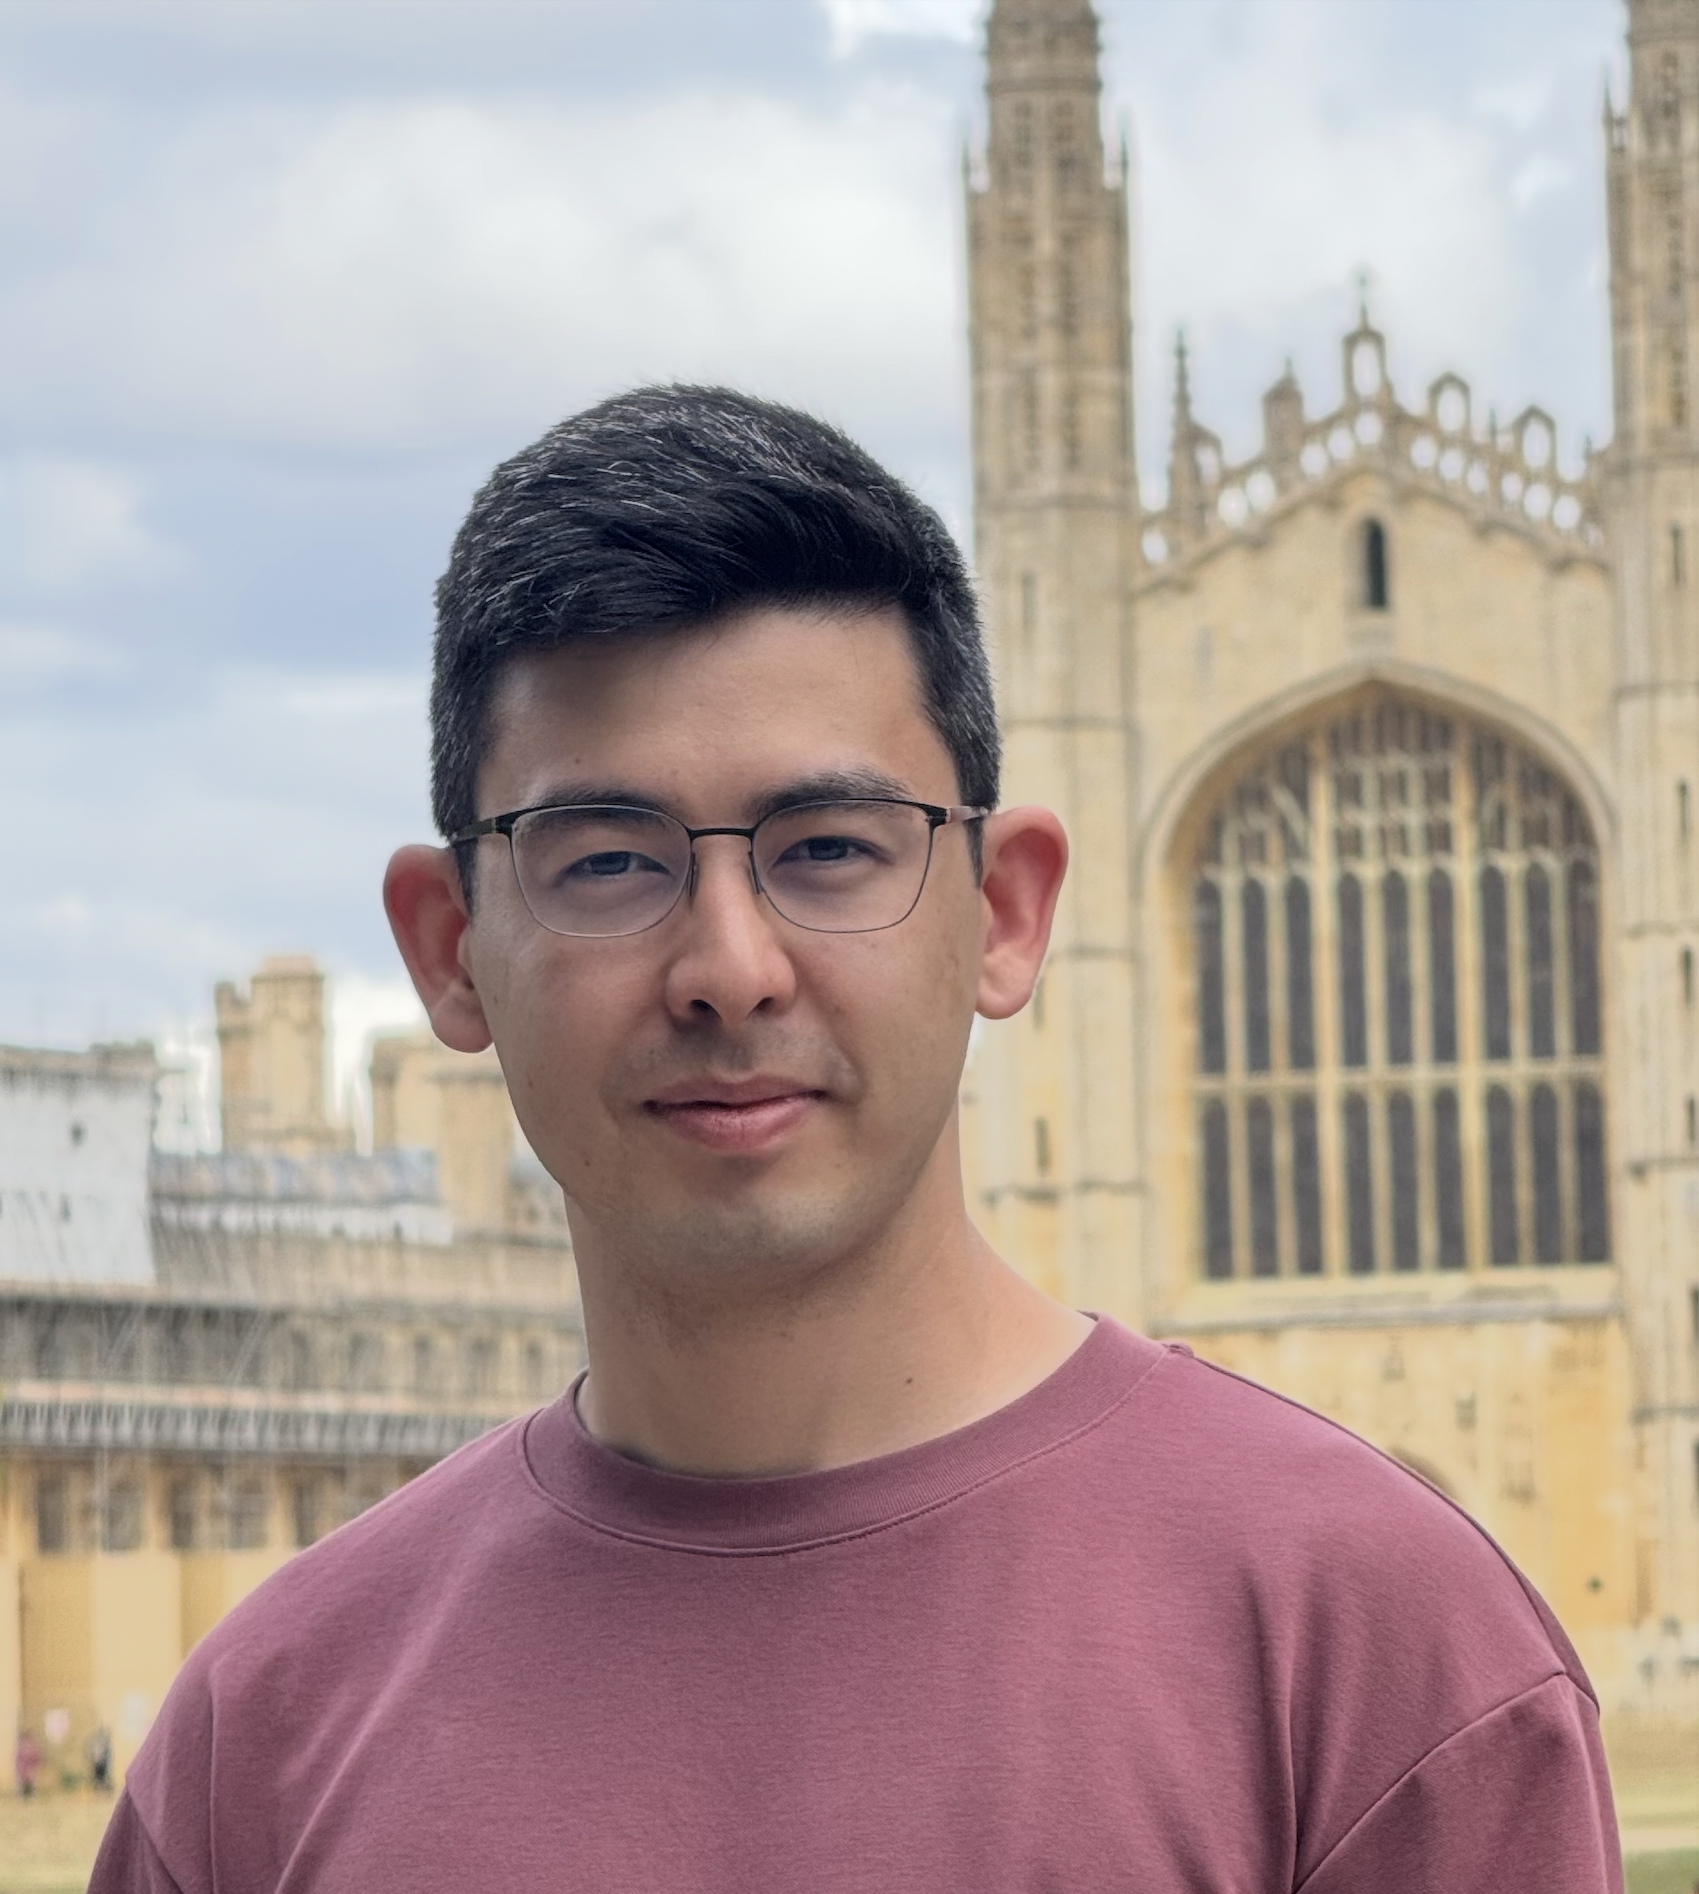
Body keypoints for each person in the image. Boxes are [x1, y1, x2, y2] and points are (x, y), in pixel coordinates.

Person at [90, 388, 1622, 1892]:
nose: (728, 965)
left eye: (827, 849)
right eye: (608, 860)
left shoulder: (1383, 1665)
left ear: (1003, 913)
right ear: (448, 950)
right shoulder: (260, 1747)